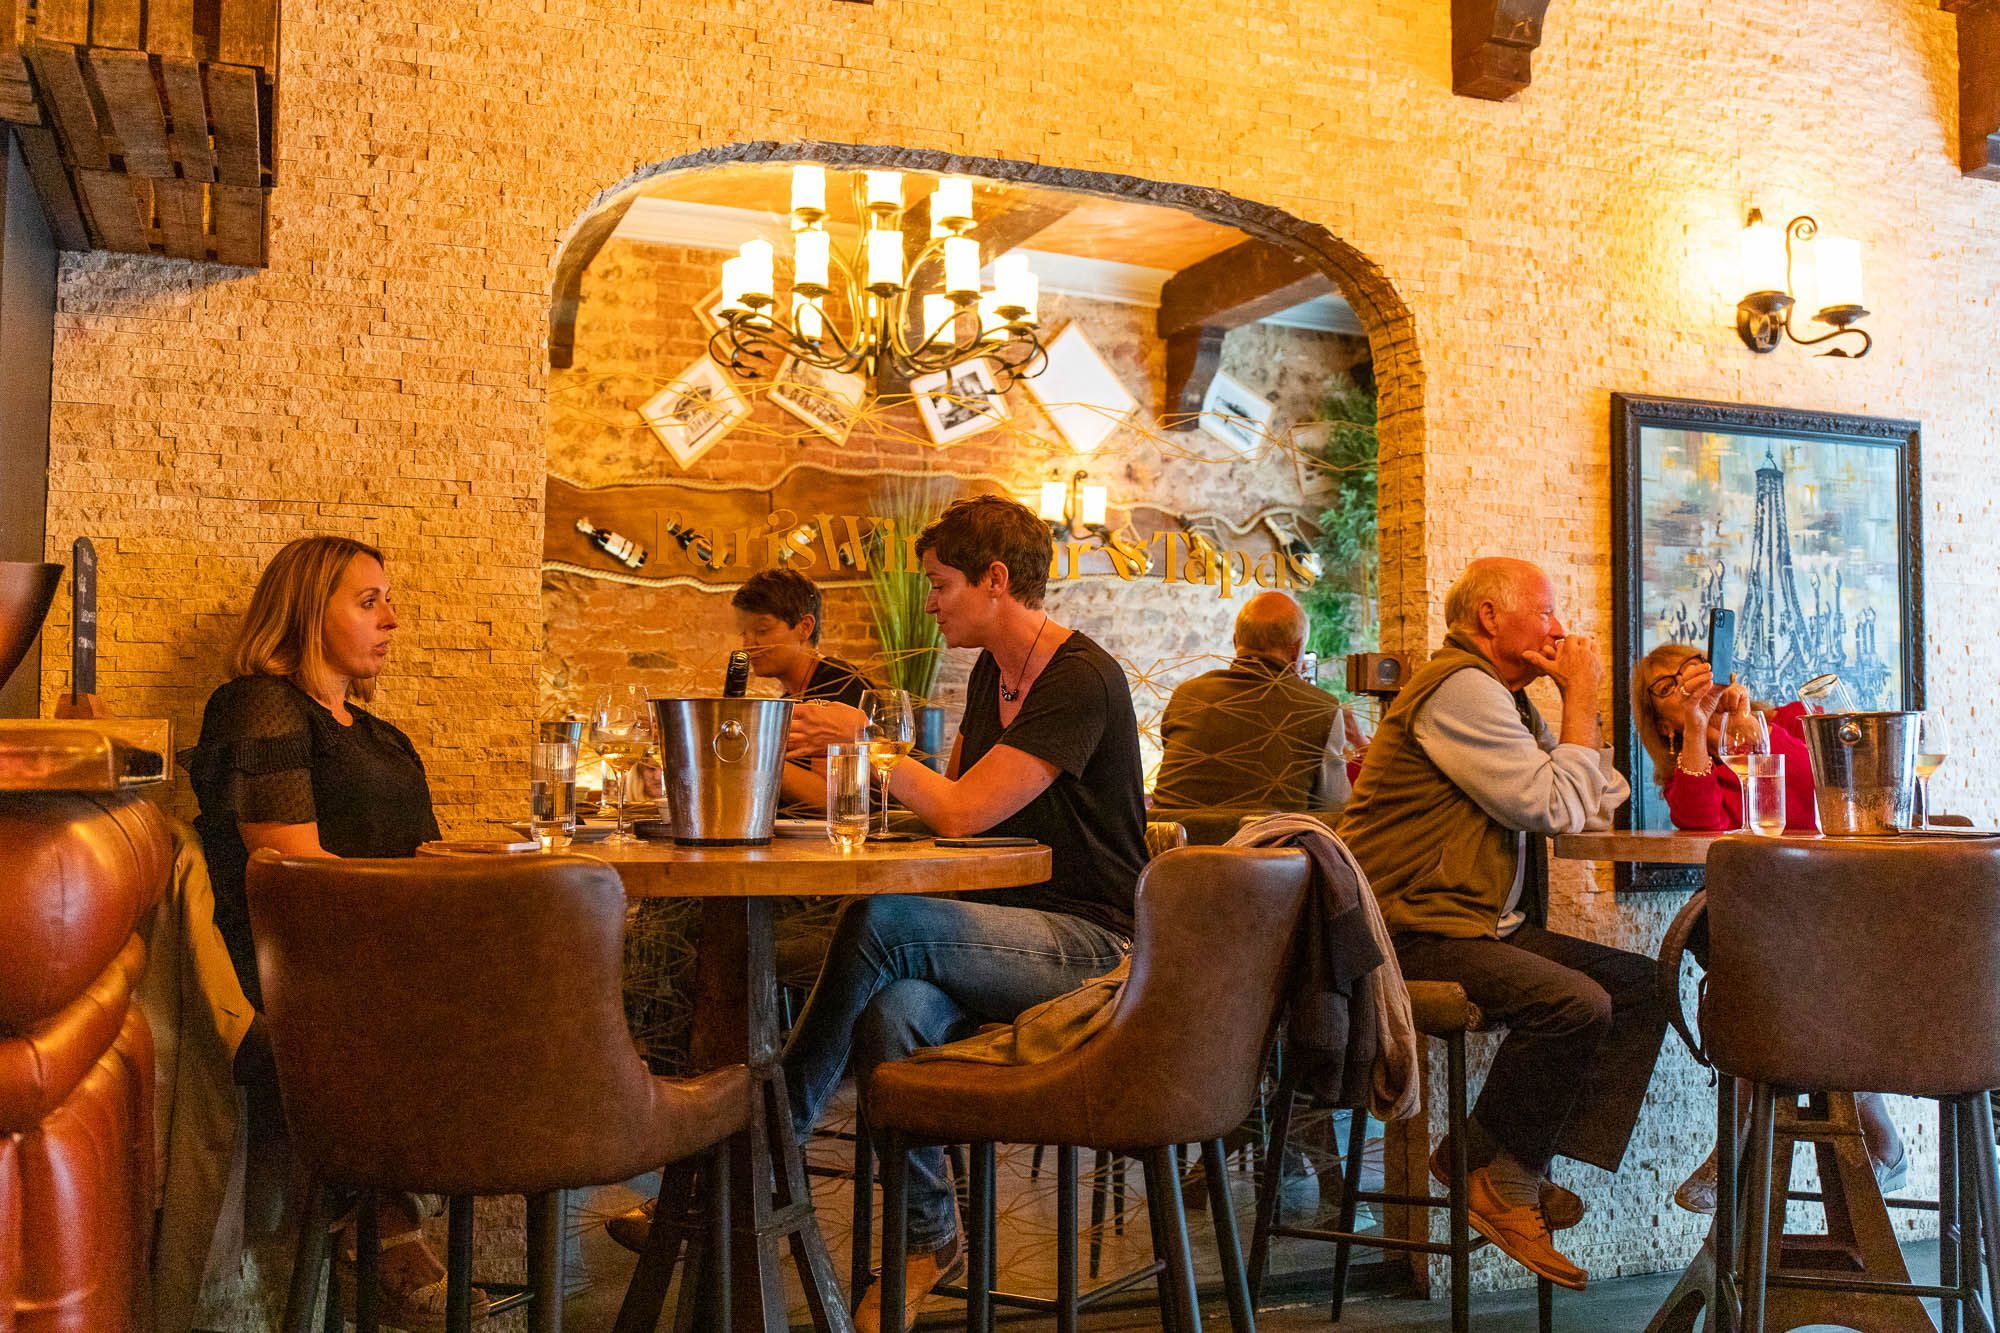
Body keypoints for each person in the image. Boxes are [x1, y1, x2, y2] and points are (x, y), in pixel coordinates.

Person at [783, 494, 1147, 1330]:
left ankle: (770, 1148)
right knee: (890, 1013)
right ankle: (926, 1239)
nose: (933, 601)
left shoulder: (1081, 679)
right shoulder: (992, 672)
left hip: (1094, 943)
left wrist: (867, 744)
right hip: (1001, 931)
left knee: (882, 920)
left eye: (943, 584)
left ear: (995, 579)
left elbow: (955, 812)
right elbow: (946, 805)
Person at [1336, 557, 1663, 1291]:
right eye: (1545, 611)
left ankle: (1491, 1162)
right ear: (1490, 618)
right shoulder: (1460, 690)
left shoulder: (1507, 702)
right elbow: (1552, 805)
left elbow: (1593, 796)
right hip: (1406, 930)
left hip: (1476, 923)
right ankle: (1506, 1182)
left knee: (1644, 985)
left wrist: (1573, 730)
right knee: (1576, 1003)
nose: (1559, 626)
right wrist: (1581, 699)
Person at [182, 535, 477, 1327]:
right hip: (300, 969)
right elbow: (294, 874)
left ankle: (381, 1212)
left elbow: (425, 856)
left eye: (389, 599)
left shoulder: (379, 736)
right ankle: (376, 1215)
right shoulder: (260, 703)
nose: (393, 618)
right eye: (368, 599)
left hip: (382, 958)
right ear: (310, 611)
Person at [1631, 643, 1906, 1210]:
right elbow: (1699, 821)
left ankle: (1737, 1140)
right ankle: (1875, 1133)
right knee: (1740, 950)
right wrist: (1700, 731)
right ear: (1661, 722)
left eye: (1693, 671)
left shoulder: (1787, 722)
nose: (1685, 685)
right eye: (1667, 688)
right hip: (1768, 917)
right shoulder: (1691, 771)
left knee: (1758, 974)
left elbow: (1820, 779)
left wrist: (1746, 725)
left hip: (1847, 899)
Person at [1151, 590, 1352, 811]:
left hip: (1176, 844)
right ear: (1296, 651)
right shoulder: (1321, 709)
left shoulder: (1187, 695)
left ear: (1236, 641)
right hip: (1268, 843)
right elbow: (1334, 808)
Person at [733, 566, 871, 706]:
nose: (748, 646)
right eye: (744, 633)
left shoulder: (843, 684)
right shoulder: (788, 702)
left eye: (762, 630)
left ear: (805, 627)